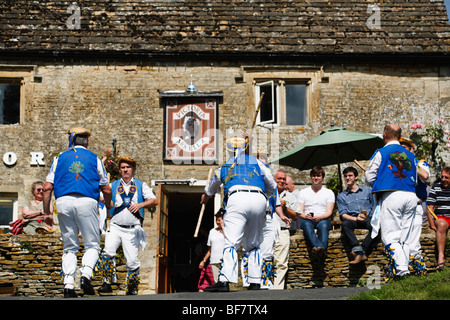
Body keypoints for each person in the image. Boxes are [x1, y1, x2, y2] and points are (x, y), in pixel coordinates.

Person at [201, 133, 278, 292]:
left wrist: (205, 197)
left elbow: (211, 188)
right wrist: (265, 194)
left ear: (229, 151)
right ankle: (256, 281)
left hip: (237, 198)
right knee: (254, 243)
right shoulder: (257, 162)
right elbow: (272, 183)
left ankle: (225, 281)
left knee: (231, 242)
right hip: (259, 199)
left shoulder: (225, 166)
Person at [42, 127, 112, 298]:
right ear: (87, 141)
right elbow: (107, 189)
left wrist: (47, 213)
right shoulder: (95, 159)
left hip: (63, 201)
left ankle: (68, 285)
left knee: (70, 247)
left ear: (71, 140)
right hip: (87, 201)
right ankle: (86, 274)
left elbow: (46, 188)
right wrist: (108, 206)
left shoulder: (58, 158)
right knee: (92, 245)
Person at [98, 156, 157, 295]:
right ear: (119, 170)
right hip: (115, 226)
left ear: (133, 170)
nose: (125, 170)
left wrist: (141, 204)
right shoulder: (112, 186)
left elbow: (154, 200)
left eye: (128, 167)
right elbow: (100, 196)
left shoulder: (141, 185)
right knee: (108, 252)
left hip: (132, 229)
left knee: (132, 261)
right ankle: (106, 283)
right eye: (123, 167)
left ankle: (131, 288)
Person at [365, 124, 418, 280]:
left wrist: (377, 181)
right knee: (406, 237)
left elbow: (369, 178)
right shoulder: (411, 155)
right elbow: (414, 177)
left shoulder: (381, 152)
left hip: (392, 195)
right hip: (410, 195)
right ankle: (405, 266)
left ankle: (402, 272)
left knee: (390, 237)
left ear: (385, 135)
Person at [399, 137, 430, 275]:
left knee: (414, 240)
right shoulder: (397, 165)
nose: (402, 150)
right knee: (401, 239)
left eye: (405, 148)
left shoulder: (420, 163)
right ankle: (404, 269)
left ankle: (419, 270)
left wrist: (411, 163)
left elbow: (425, 175)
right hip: (401, 206)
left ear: (412, 149)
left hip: (416, 205)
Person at [337, 167, 376, 265]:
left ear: (356, 177)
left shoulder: (367, 190)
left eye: (350, 175)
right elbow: (343, 215)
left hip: (367, 218)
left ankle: (360, 251)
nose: (347, 178)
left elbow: (375, 206)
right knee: (345, 224)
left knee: (376, 227)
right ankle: (358, 248)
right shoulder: (341, 196)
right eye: (345, 176)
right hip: (353, 219)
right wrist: (355, 218)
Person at [298, 166, 335, 261]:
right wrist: (305, 216)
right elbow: (300, 211)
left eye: (318, 176)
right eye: (314, 176)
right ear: (311, 177)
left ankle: (319, 251)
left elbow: (329, 212)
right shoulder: (303, 192)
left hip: (323, 218)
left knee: (323, 226)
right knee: (306, 224)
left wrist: (321, 217)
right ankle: (320, 249)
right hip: (308, 219)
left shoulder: (329, 192)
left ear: (322, 177)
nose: (316, 178)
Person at [272, 170, 300, 289]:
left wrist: (285, 208)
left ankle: (276, 290)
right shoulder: (267, 193)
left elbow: (295, 216)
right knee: (267, 259)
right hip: (267, 231)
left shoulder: (290, 197)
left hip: (283, 230)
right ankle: (265, 289)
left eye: (284, 179)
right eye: (279, 178)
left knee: (282, 262)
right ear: (274, 179)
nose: (282, 181)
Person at [427, 166, 450, 270]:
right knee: (442, 224)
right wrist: (432, 223)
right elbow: (430, 208)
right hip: (441, 217)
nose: (444, 179)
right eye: (442, 177)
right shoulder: (436, 187)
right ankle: (441, 259)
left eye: (447, 177)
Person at [198, 210, 225, 291]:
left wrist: (223, 227)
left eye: (219, 220)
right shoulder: (212, 231)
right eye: (216, 220)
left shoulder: (227, 231)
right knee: (216, 283)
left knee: (224, 283)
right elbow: (210, 249)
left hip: (224, 260)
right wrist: (204, 261)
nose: (217, 222)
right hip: (214, 260)